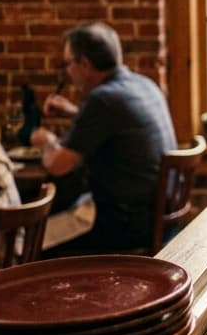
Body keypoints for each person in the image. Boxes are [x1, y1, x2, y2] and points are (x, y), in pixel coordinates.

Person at [29, 22, 177, 254]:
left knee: (31, 243)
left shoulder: (102, 100)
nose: (68, 72)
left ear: (85, 64)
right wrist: (75, 112)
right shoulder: (144, 84)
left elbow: (58, 165)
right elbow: (120, 126)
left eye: (68, 64)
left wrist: (44, 140)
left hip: (126, 224)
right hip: (159, 217)